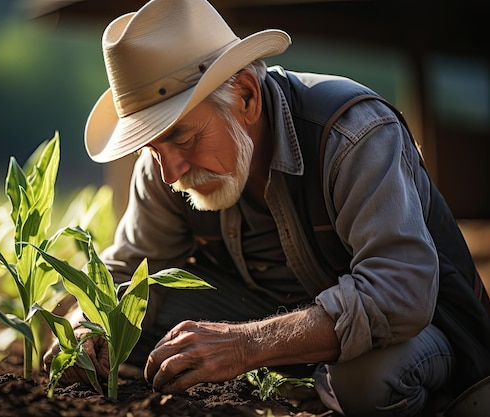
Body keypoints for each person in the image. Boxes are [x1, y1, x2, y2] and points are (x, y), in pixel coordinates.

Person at [43, 0, 490, 415]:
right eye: (152, 147)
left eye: (182, 136)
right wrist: (86, 326)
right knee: (129, 322)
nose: (169, 172)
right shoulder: (165, 167)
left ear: (246, 97)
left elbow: (399, 294)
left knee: (364, 384)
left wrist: (244, 345)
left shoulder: (352, 135)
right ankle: (298, 380)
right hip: (275, 329)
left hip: (416, 336)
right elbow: (129, 270)